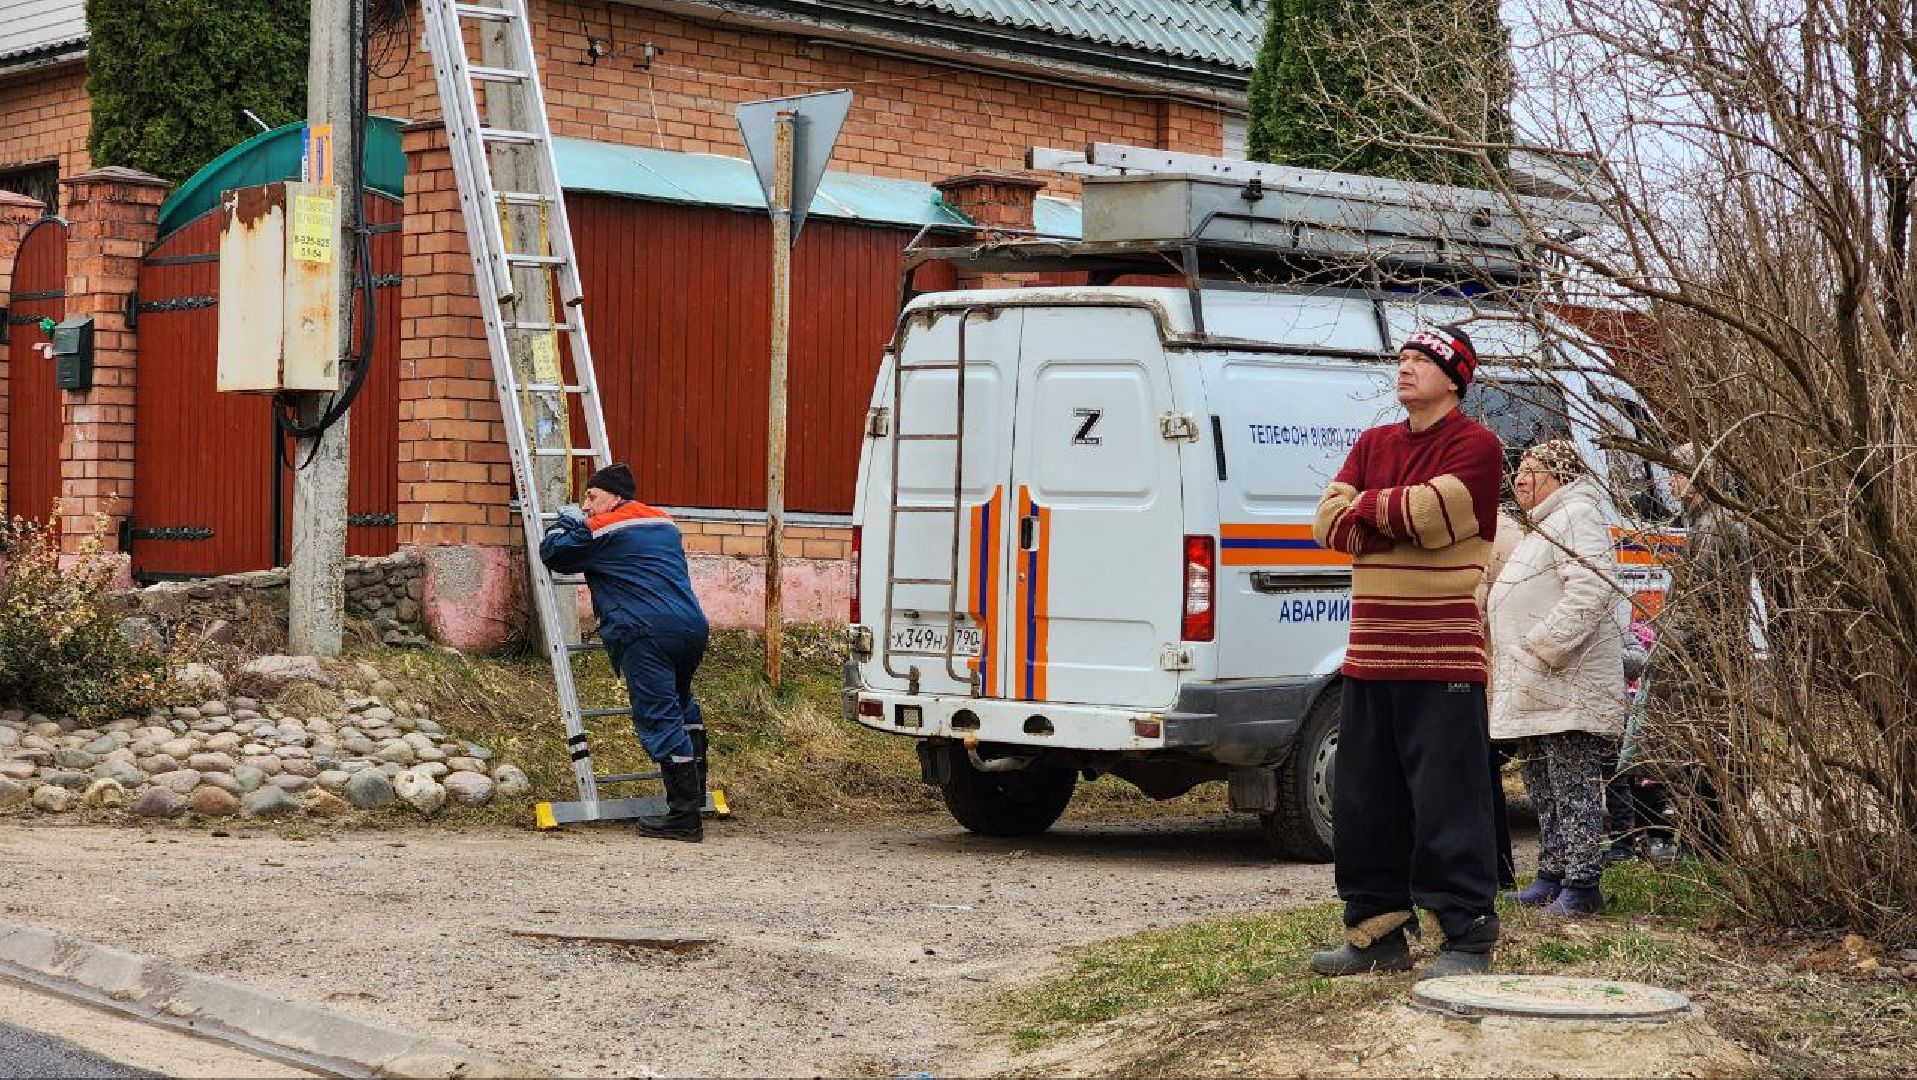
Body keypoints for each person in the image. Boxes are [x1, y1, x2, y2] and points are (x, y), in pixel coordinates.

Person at [1308, 324, 1506, 980]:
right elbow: (1326, 524)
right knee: (1364, 801)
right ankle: (1376, 934)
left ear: (1454, 378)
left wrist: (1366, 509)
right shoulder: (1373, 442)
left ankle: (1465, 935)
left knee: (1448, 801)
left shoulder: (1477, 446)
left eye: (1421, 359)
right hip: (1369, 654)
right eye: (1403, 357)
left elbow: (1438, 513)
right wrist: (1391, 517)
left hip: (1441, 655)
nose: (1405, 367)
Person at [1489, 440, 1628, 916]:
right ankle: (1552, 873)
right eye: (1519, 469)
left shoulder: (1577, 515)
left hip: (1565, 679)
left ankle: (1582, 886)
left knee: (1571, 786)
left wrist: (1542, 646)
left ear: (1562, 476)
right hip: (1537, 682)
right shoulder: (1544, 523)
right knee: (1542, 783)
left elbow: (1591, 589)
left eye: (1533, 470)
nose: (1520, 478)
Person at [540, 463, 712, 842]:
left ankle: (684, 819)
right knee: (683, 705)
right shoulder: (664, 522)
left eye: (592, 497)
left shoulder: (604, 528)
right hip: (690, 627)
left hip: (645, 631)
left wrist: (564, 524)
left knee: (660, 715)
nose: (586, 506)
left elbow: (554, 554)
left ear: (616, 497)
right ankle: (695, 798)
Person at [1646, 441, 1753, 858]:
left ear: (1700, 476)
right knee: (1699, 750)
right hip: (1707, 654)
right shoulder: (1704, 523)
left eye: (1679, 472)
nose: (1671, 482)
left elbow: (1701, 603)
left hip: (1707, 657)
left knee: (1707, 750)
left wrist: (1663, 651)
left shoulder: (1714, 527)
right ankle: (1703, 842)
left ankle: (1707, 845)